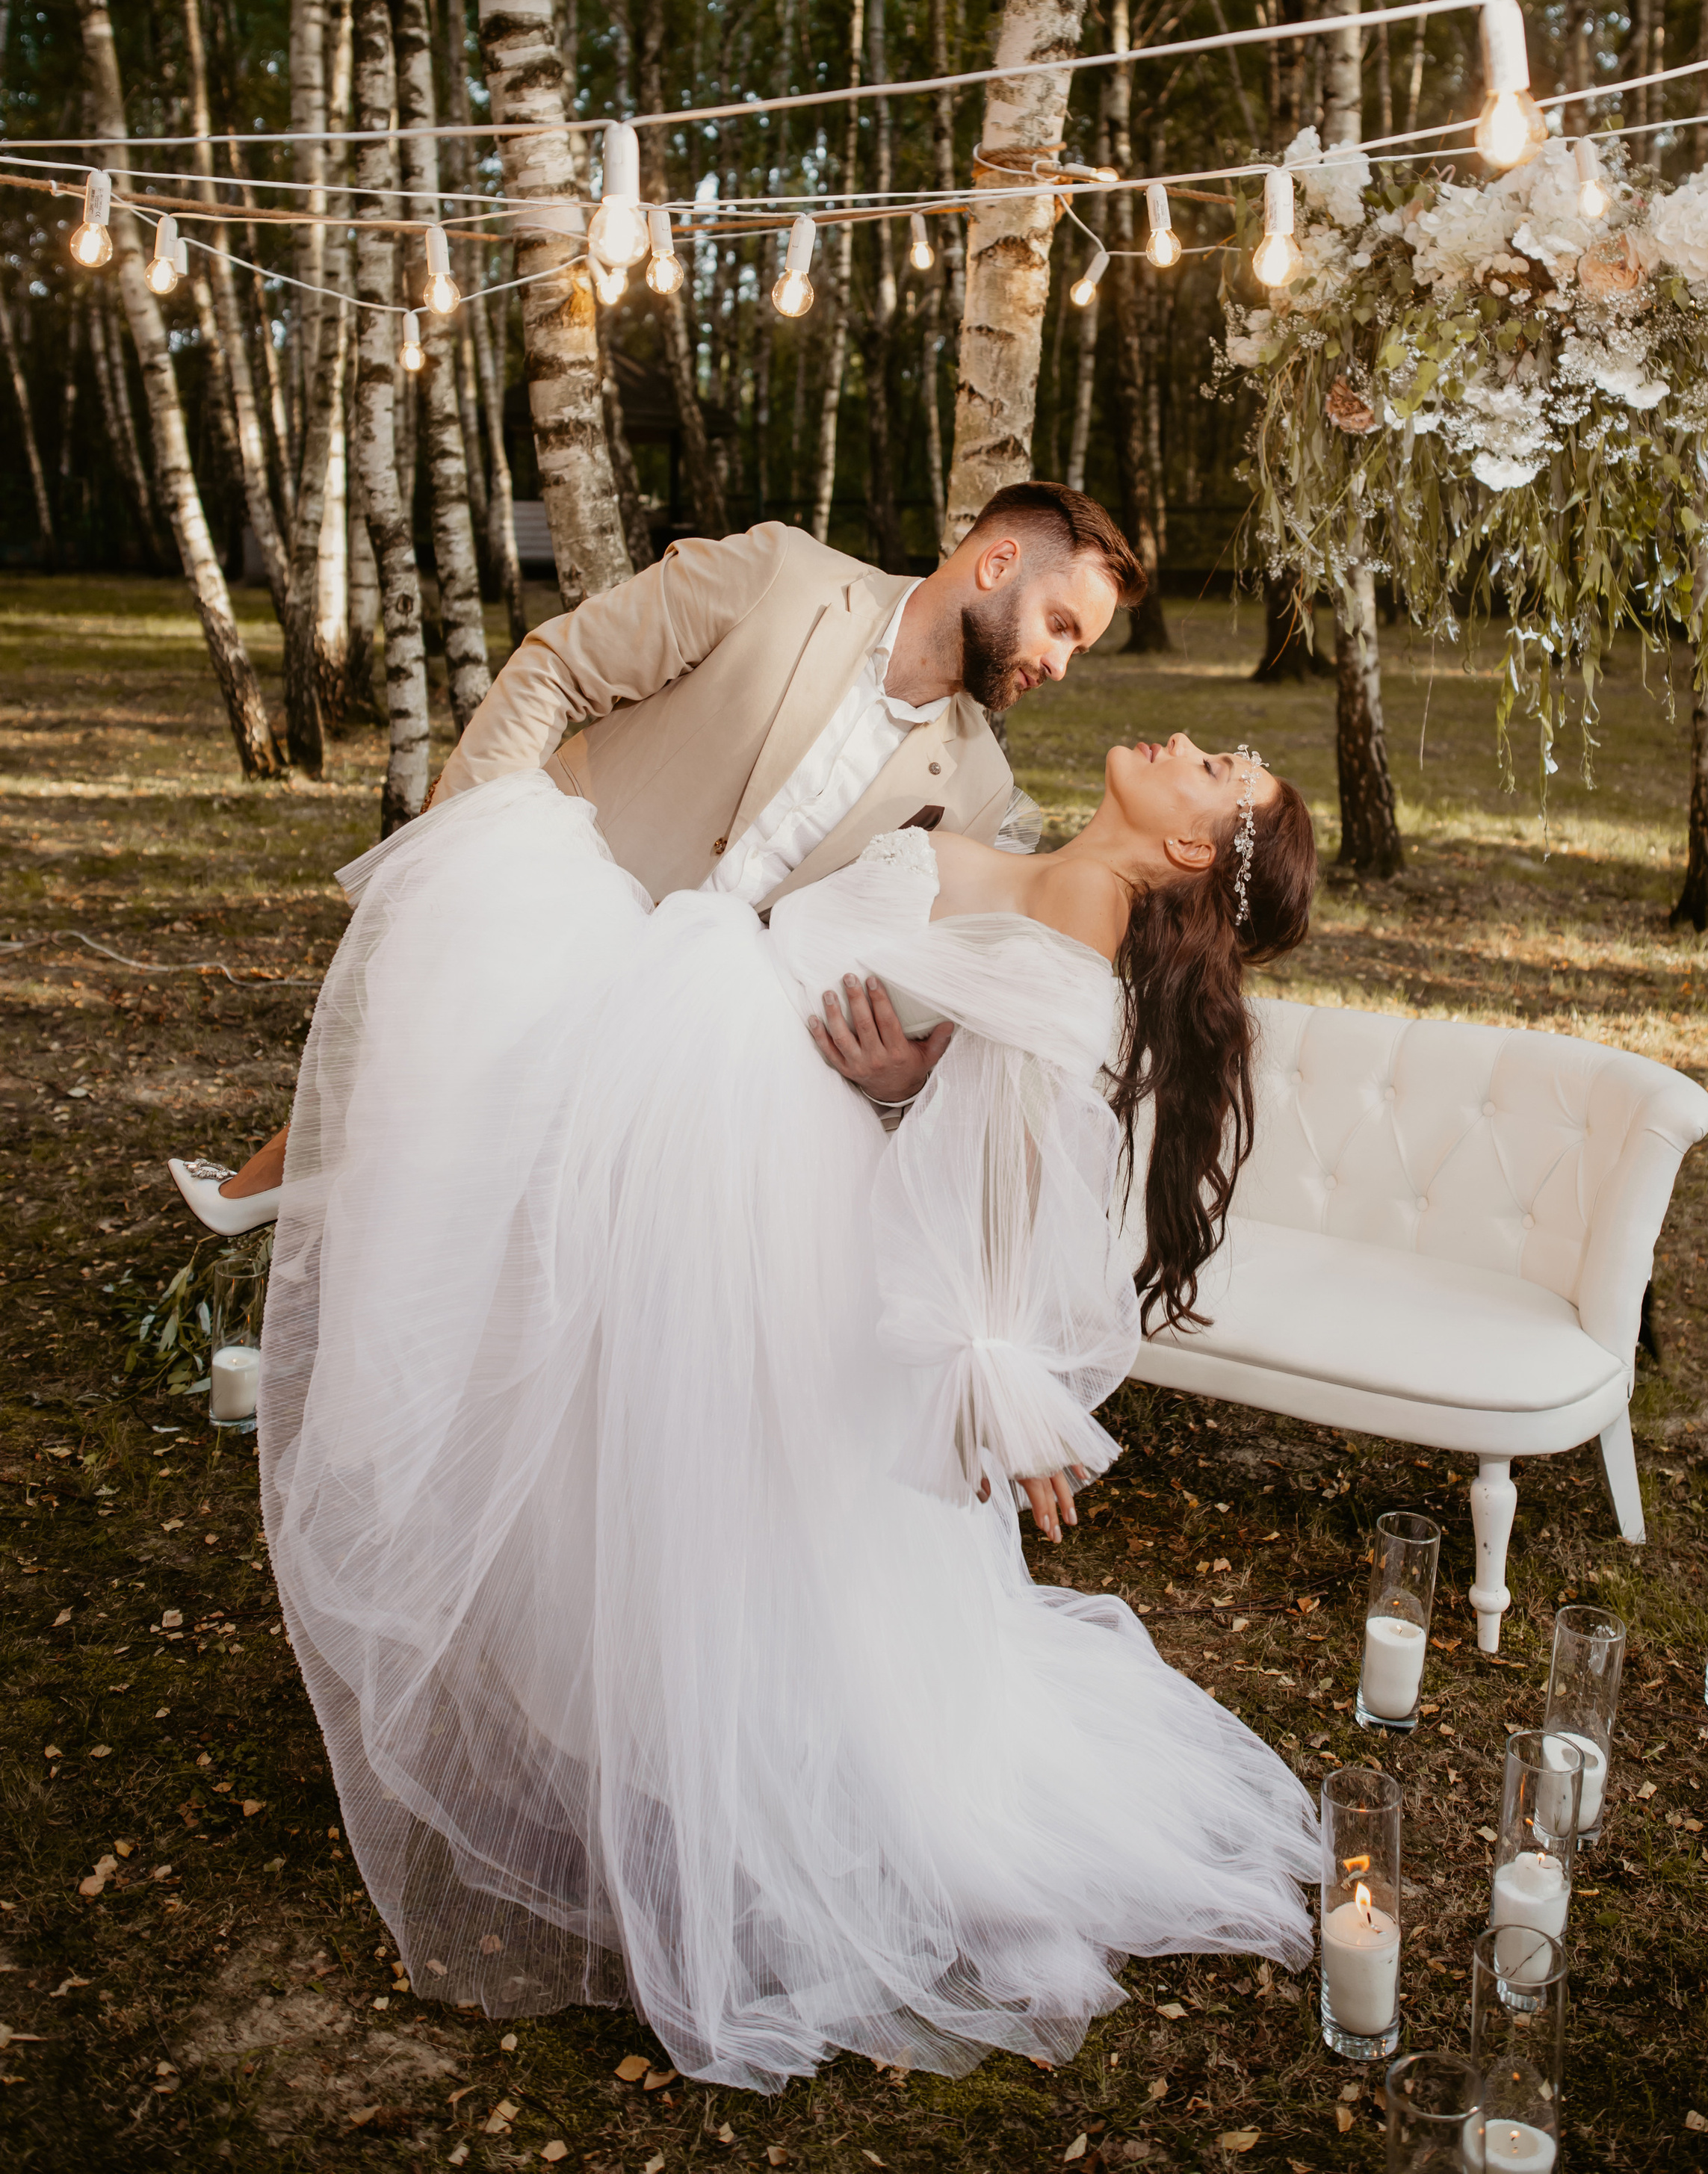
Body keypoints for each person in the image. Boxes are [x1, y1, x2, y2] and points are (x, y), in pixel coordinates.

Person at [257, 716, 1320, 2090]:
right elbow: (946, 1062)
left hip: (751, 1159)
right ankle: (634, 1745)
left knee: (711, 1497)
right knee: (637, 1459)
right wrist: (899, 1085)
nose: (1191, 740)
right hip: (728, 1110)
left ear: (1190, 845)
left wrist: (998, 1373)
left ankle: (716, 1799)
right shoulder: (1030, 858)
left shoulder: (1075, 915)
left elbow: (1014, 1163)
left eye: (1221, 767)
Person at [168, 482, 1142, 1226]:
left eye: (1079, 649)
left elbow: (921, 970)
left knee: (503, 1201)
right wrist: (464, 851)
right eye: (1062, 626)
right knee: (410, 1102)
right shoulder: (782, 576)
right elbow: (557, 670)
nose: (1059, 664)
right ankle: (270, 1223)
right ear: (997, 560)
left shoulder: (970, 789)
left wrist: (901, 1079)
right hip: (551, 902)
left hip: (686, 1030)